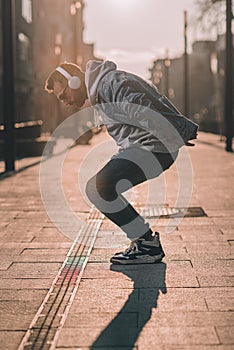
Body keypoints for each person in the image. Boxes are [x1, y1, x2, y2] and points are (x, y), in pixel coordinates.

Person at [45, 60, 198, 265]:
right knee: (101, 187)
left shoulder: (111, 84)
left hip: (153, 149)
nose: (64, 101)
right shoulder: (103, 88)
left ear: (73, 82)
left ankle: (146, 244)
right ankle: (145, 243)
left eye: (63, 95)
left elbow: (143, 109)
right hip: (150, 148)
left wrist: (172, 132)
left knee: (99, 188)